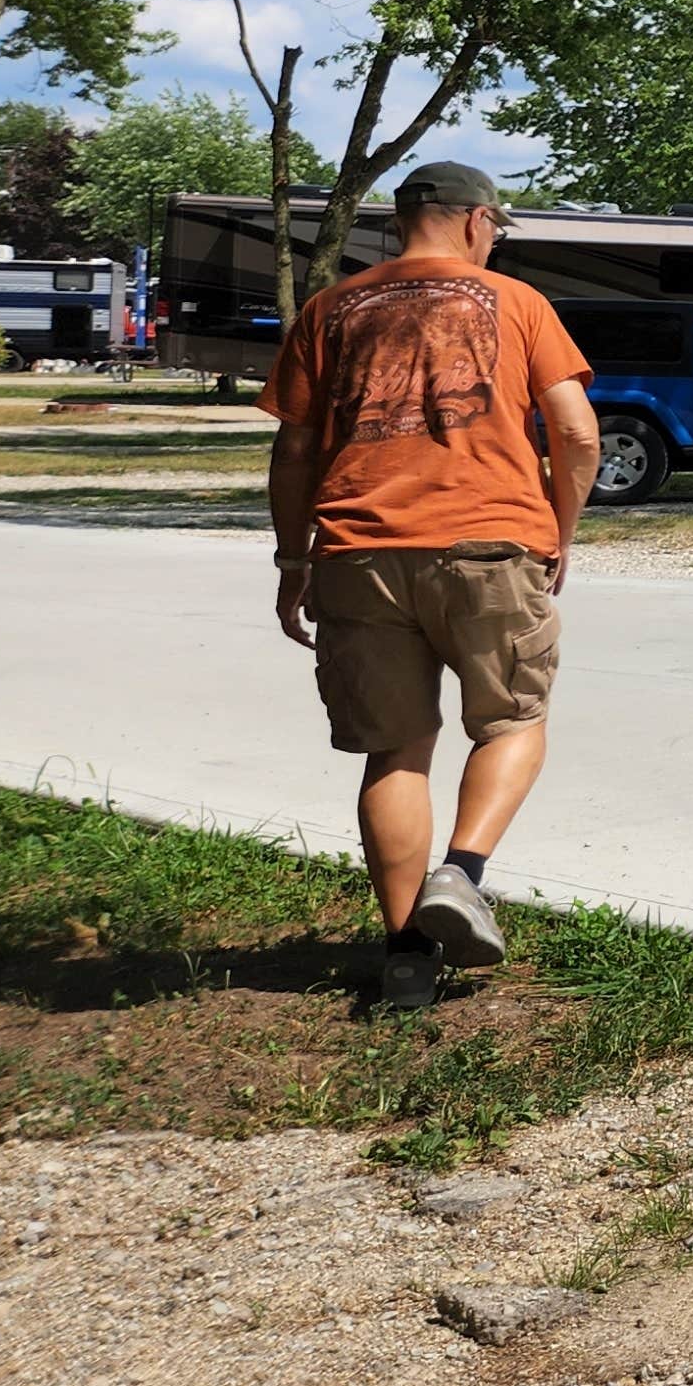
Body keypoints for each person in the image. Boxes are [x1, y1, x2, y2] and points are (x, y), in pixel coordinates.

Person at [262, 163, 599, 1011]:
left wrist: (292, 560)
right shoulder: (517, 302)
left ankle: (408, 953)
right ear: (479, 221)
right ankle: (464, 871)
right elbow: (577, 431)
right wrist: (562, 531)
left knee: (396, 749)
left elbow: (295, 451)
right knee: (514, 720)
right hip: (492, 544)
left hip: (356, 551)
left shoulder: (329, 308)